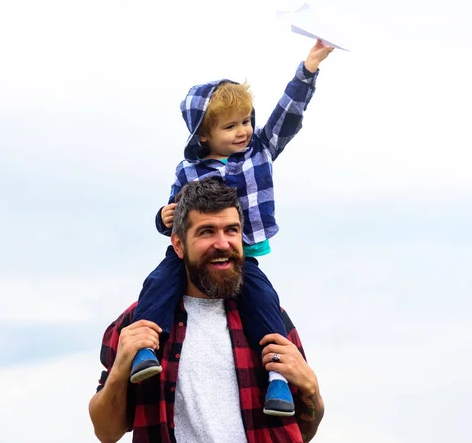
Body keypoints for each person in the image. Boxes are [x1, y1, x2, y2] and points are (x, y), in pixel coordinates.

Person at [129, 40, 334, 416]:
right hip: (190, 256)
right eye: (230, 126)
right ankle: (146, 348)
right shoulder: (189, 171)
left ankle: (277, 381)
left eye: (246, 121)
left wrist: (309, 69)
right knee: (158, 284)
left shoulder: (260, 149)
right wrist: (162, 217)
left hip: (245, 256)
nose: (243, 131)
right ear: (203, 135)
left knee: (264, 302)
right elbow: (173, 215)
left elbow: (288, 116)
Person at [89, 179, 325, 443]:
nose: (223, 243)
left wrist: (310, 386)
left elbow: (303, 431)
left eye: (231, 230)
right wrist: (121, 369)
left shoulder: (270, 319)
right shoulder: (140, 322)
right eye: (207, 232)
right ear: (178, 244)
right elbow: (106, 432)